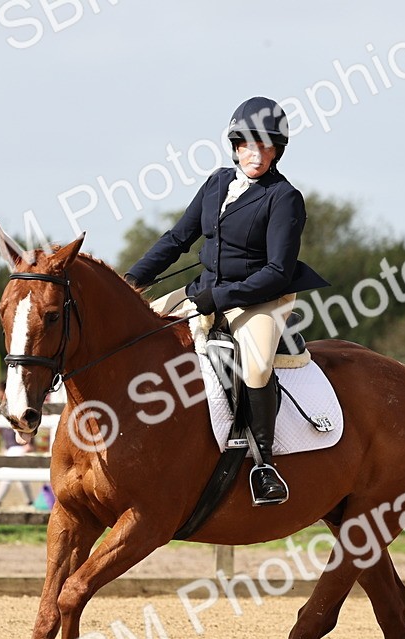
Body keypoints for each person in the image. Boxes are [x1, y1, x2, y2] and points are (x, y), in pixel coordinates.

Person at [124, 97, 328, 506]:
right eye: (249, 145)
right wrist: (130, 282)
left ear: (277, 152)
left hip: (260, 300)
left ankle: (263, 465)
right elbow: (177, 240)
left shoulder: (284, 197)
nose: (257, 154)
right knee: (135, 329)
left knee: (255, 365)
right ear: (235, 146)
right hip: (204, 291)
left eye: (267, 147)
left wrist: (216, 297)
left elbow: (276, 271)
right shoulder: (217, 183)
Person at [0, 382, 36, 507]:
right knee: (21, 478)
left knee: (8, 474)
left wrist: (29, 445)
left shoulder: (14, 406)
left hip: (19, 448)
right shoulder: (4, 409)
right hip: (12, 448)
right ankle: (30, 502)